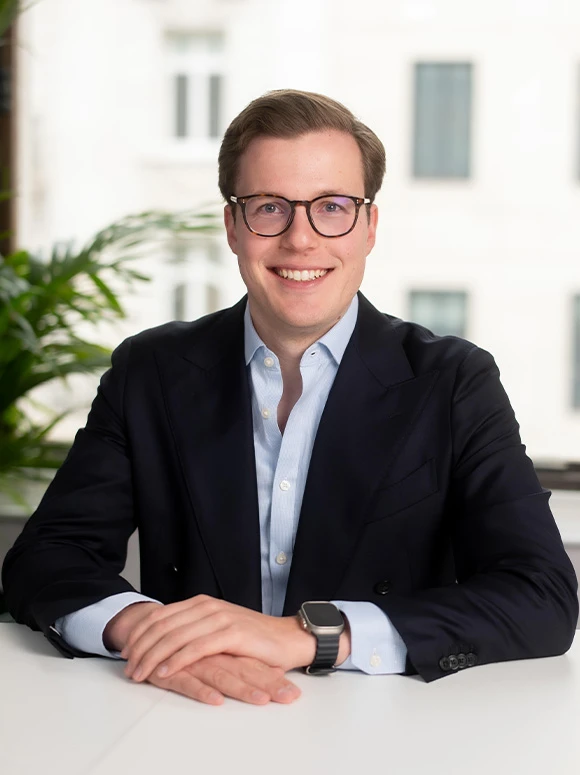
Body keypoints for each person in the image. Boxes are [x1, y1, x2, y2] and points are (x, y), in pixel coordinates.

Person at [2, 89, 577, 707]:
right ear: (232, 227)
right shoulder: (152, 371)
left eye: (332, 206)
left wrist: (305, 637)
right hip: (186, 714)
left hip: (385, 730)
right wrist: (145, 628)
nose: (301, 240)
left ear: (368, 227)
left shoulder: (454, 380)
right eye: (270, 207)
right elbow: (47, 557)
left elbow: (540, 595)